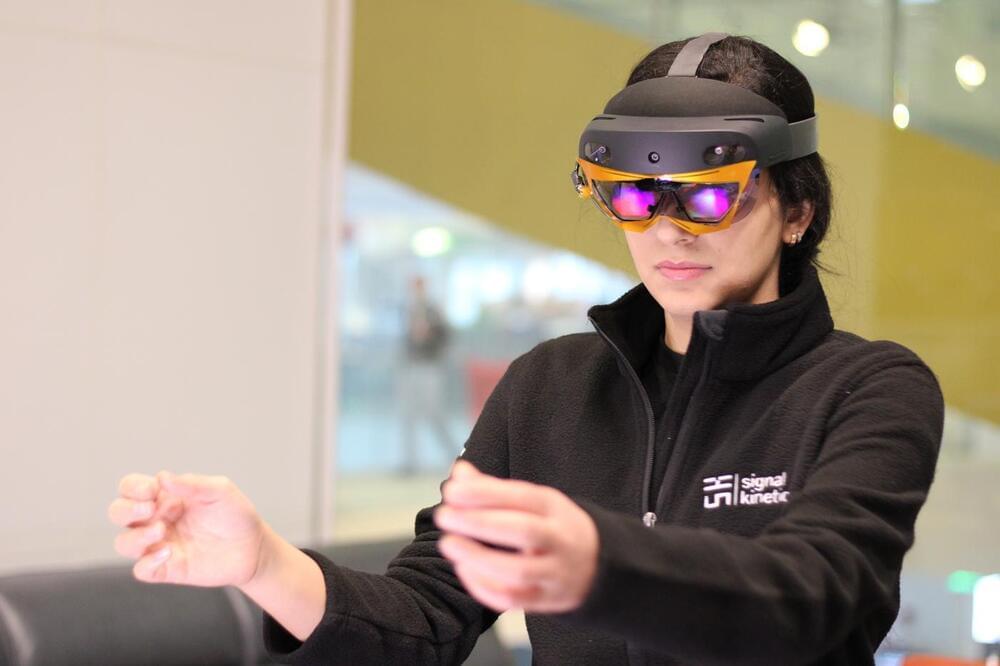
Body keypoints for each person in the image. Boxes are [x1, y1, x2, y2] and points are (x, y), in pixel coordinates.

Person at [107, 34, 944, 665]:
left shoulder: (869, 390)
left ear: (797, 211)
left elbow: (817, 598)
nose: (666, 231)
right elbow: (425, 618)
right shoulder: (550, 388)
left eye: (708, 196)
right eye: (635, 195)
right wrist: (264, 563)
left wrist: (599, 565)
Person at [398, 274, 458, 474]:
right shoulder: (408, 311)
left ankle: (455, 455)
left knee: (434, 414)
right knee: (408, 415)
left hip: (430, 367)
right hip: (411, 367)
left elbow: (446, 336)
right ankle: (410, 462)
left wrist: (429, 333)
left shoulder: (433, 311)